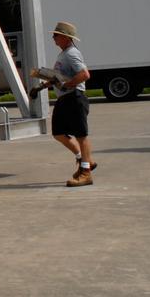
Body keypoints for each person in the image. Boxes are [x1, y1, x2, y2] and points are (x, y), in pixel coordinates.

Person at [45, 21, 95, 187]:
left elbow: (84, 74)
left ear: (66, 37)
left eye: (56, 35)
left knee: (81, 135)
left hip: (75, 97)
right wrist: (44, 85)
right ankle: (84, 159)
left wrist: (68, 84)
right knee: (58, 133)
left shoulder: (71, 53)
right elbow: (61, 76)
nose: (53, 38)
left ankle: (86, 173)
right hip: (65, 99)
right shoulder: (63, 54)